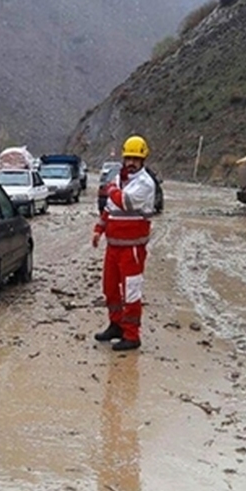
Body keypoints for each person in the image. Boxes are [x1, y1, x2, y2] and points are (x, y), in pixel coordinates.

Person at [92, 135, 157, 352]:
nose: (131, 163)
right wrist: (99, 229)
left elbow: (124, 201)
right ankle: (116, 325)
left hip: (133, 248)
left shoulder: (145, 183)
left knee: (131, 291)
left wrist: (111, 189)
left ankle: (132, 335)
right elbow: (109, 208)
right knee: (110, 288)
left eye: (135, 159)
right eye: (128, 158)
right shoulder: (120, 180)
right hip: (113, 246)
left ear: (143, 160)